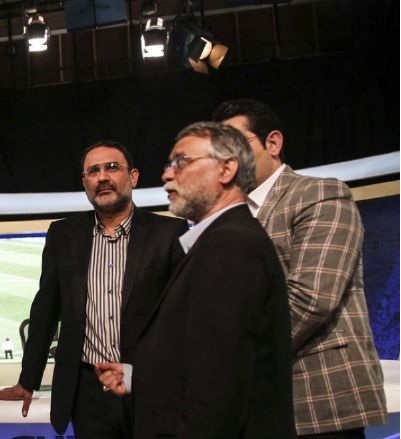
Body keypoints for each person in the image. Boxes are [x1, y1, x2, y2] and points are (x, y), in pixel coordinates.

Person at [97, 122, 296, 439]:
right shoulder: (219, 242)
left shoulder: (229, 246)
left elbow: (217, 389)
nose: (166, 175)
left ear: (226, 169)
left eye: (181, 162)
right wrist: (139, 375)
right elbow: (199, 357)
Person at [212, 99, 387, 438]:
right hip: (251, 408)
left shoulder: (320, 194)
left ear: (273, 143)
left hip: (319, 398)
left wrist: (231, 358)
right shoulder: (225, 218)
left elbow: (311, 299)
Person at [0, 141, 187, 438]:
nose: (102, 177)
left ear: (133, 177)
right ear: (85, 184)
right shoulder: (63, 235)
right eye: (93, 171)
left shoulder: (169, 233)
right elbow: (45, 311)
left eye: (112, 167)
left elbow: (183, 318)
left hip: (151, 387)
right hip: (88, 394)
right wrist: (27, 380)